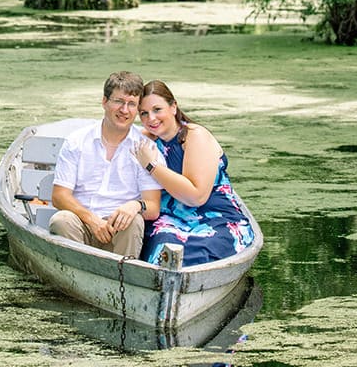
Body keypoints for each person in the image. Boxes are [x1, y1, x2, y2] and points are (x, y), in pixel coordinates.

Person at [130, 80, 257, 266]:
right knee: (162, 246)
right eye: (144, 113)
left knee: (196, 251)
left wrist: (152, 166)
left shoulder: (195, 136)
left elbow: (196, 197)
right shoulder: (147, 141)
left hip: (213, 215)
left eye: (157, 110)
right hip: (170, 217)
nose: (151, 119)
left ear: (173, 107)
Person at [49, 71, 163, 258]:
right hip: (81, 228)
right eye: (118, 101)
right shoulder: (77, 141)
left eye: (131, 104)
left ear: (137, 109)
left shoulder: (145, 148)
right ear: (104, 101)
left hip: (120, 230)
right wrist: (92, 220)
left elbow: (153, 207)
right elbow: (59, 196)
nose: (124, 110)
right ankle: (77, 275)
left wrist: (135, 205)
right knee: (61, 220)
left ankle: (123, 278)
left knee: (134, 220)